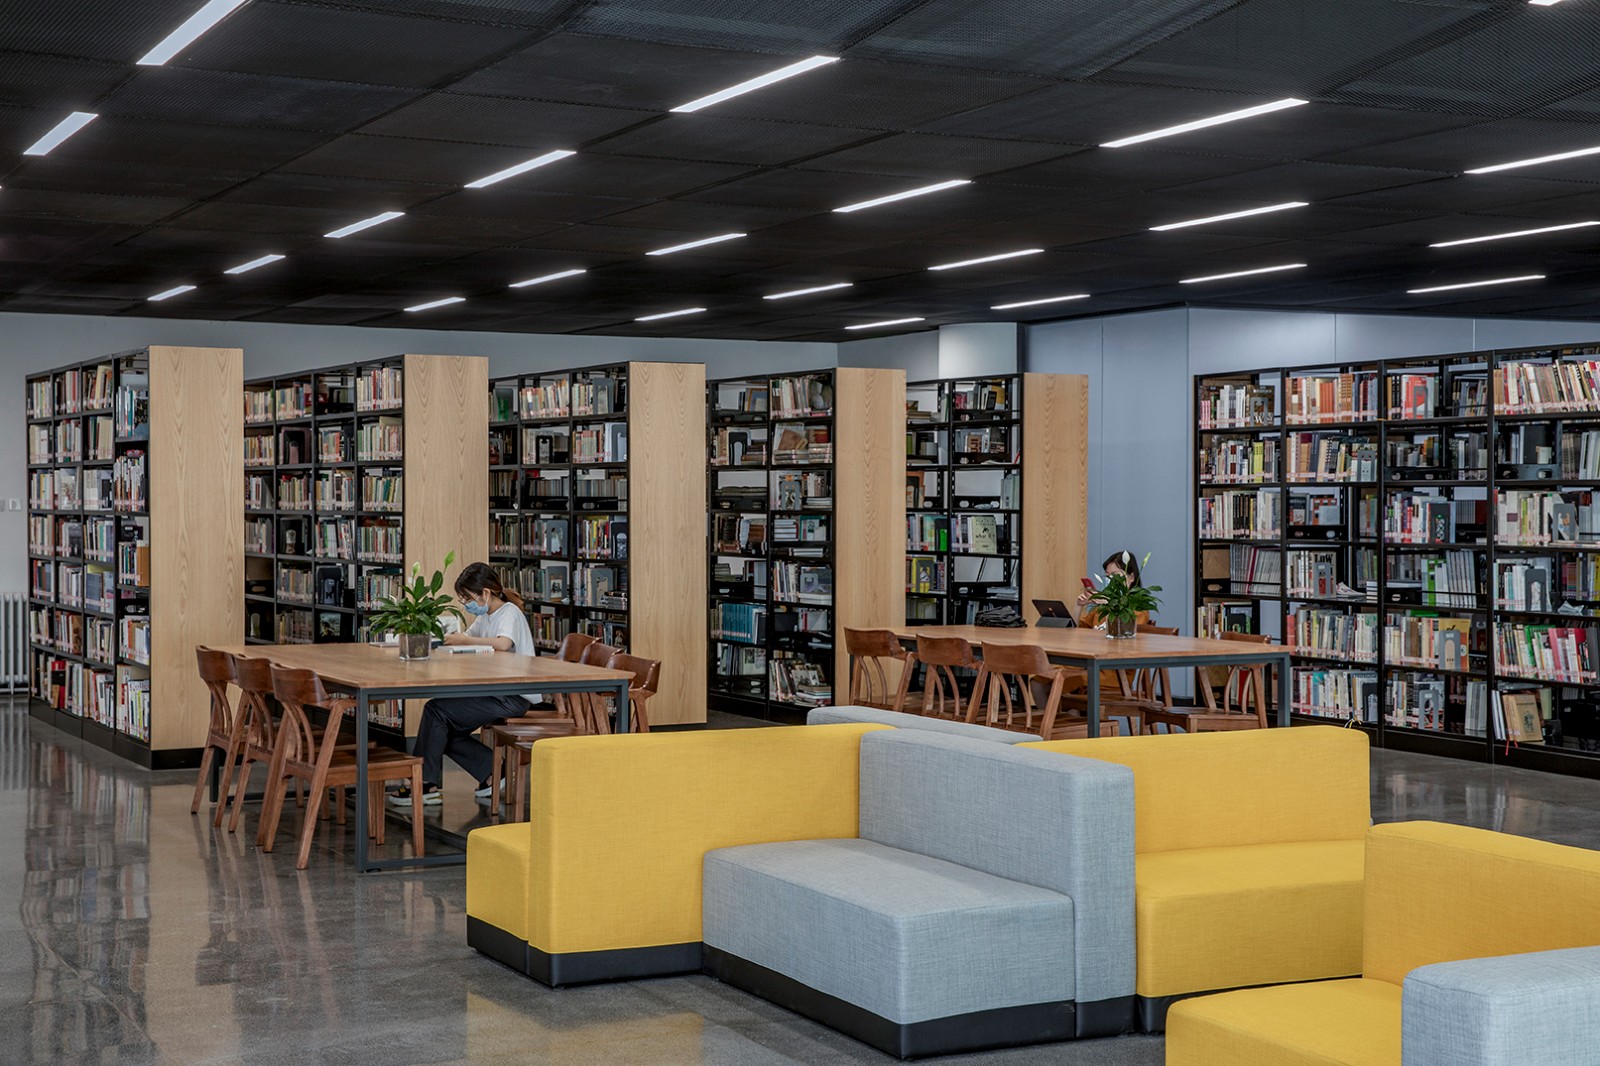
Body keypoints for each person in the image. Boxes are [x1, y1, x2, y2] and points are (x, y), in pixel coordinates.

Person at [389, 562, 536, 808]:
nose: (465, 603)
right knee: (440, 725)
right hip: (493, 691)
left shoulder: (509, 612)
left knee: (436, 711)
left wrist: (465, 639)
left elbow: (503, 644)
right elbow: (471, 640)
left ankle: (425, 785)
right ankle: (491, 770)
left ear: (486, 593)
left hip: (511, 696)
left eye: (467, 598)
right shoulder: (487, 615)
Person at [1076, 550, 1150, 627]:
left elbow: (1126, 631)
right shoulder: (1102, 605)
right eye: (1107, 575)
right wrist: (1078, 606)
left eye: (1115, 575)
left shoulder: (1140, 608)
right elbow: (1076, 629)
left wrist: (1110, 606)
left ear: (1131, 577)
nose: (1110, 578)